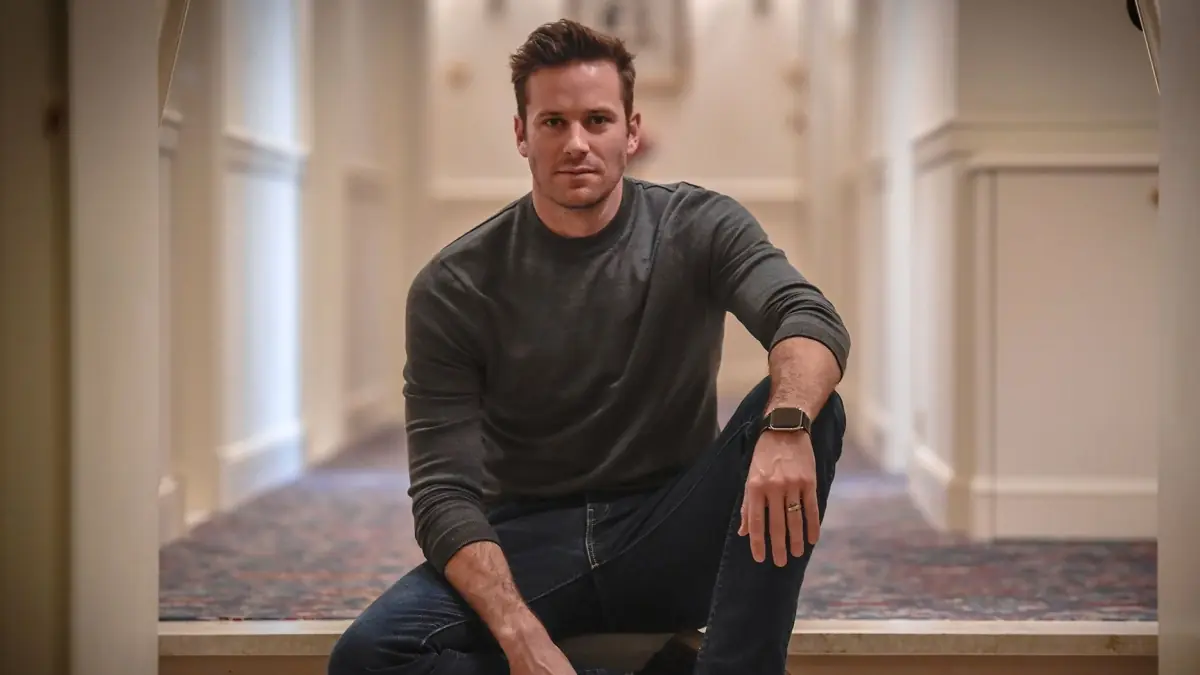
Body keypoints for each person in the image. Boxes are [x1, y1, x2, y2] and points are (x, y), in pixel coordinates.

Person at [327, 18, 850, 675]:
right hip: (529, 546)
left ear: (631, 131)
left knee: (811, 408)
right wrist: (520, 634)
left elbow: (807, 316)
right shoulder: (455, 284)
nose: (576, 143)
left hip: (670, 530)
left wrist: (785, 426)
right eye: (553, 122)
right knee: (369, 658)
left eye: (597, 120)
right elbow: (443, 495)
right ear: (521, 133)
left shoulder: (699, 225)